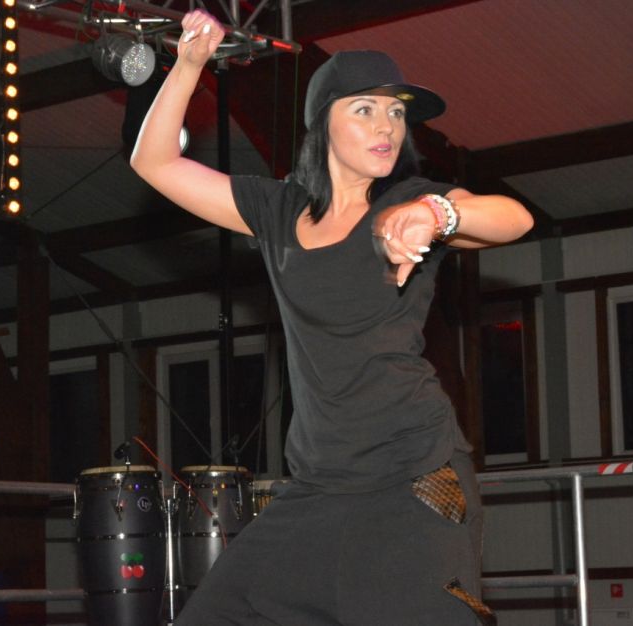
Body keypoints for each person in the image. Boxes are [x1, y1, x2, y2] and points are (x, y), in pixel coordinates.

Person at [130, 9, 534, 626]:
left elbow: (513, 218)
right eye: (365, 109)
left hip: (416, 476)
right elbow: (154, 163)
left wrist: (438, 215)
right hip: (319, 485)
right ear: (322, 123)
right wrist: (188, 66)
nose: (386, 126)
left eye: (395, 112)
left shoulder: (408, 201)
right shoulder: (276, 210)